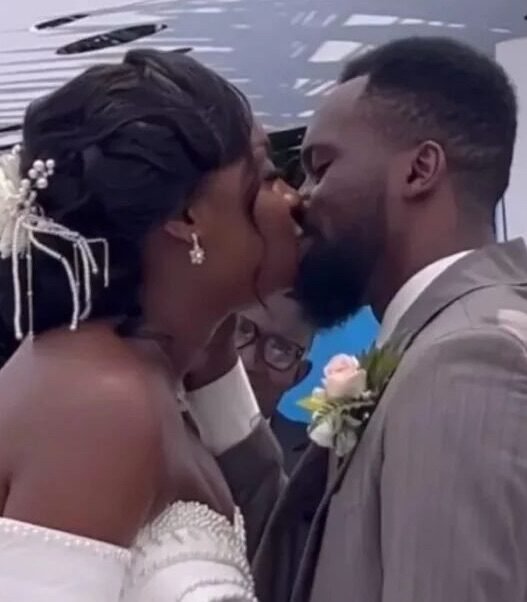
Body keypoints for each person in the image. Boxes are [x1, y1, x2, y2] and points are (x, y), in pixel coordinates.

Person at [188, 37, 527, 602]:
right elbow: (311, 557)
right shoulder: (440, 336)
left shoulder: (466, 360)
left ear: (420, 170)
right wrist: (215, 368)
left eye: (320, 167)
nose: (300, 199)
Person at [0, 49, 302, 600]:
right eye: (267, 176)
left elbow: (268, 508)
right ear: (187, 216)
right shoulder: (101, 403)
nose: (294, 200)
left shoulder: (158, 373)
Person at [236, 292, 314, 473]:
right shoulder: (171, 421)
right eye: (242, 330)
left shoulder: (316, 461)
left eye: (280, 349)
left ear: (299, 375)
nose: (249, 361)